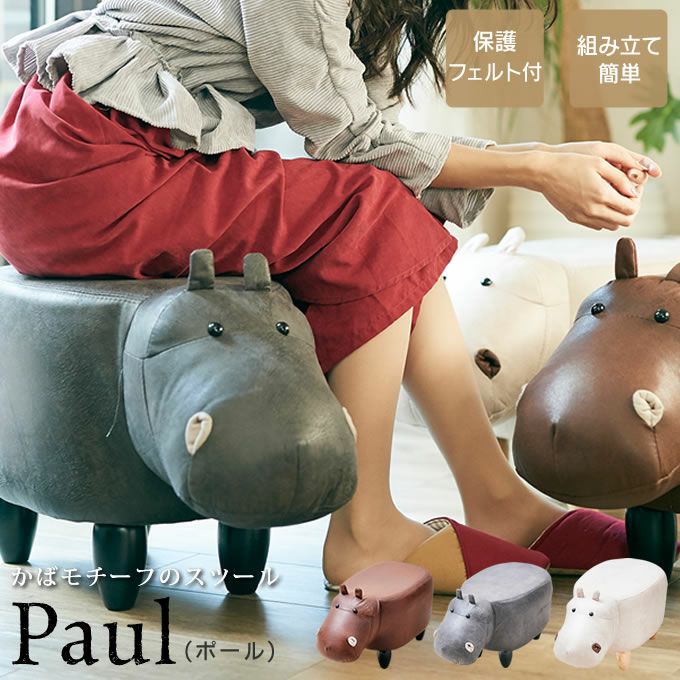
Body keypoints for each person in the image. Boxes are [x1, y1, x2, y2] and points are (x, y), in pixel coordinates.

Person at [0, 0, 664, 593]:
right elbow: (353, 145)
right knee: (371, 212)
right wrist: (538, 167)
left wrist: (546, 155)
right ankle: (364, 529)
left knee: (387, 209)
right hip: (86, 167)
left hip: (84, 155)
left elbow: (377, 140)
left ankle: (495, 498)